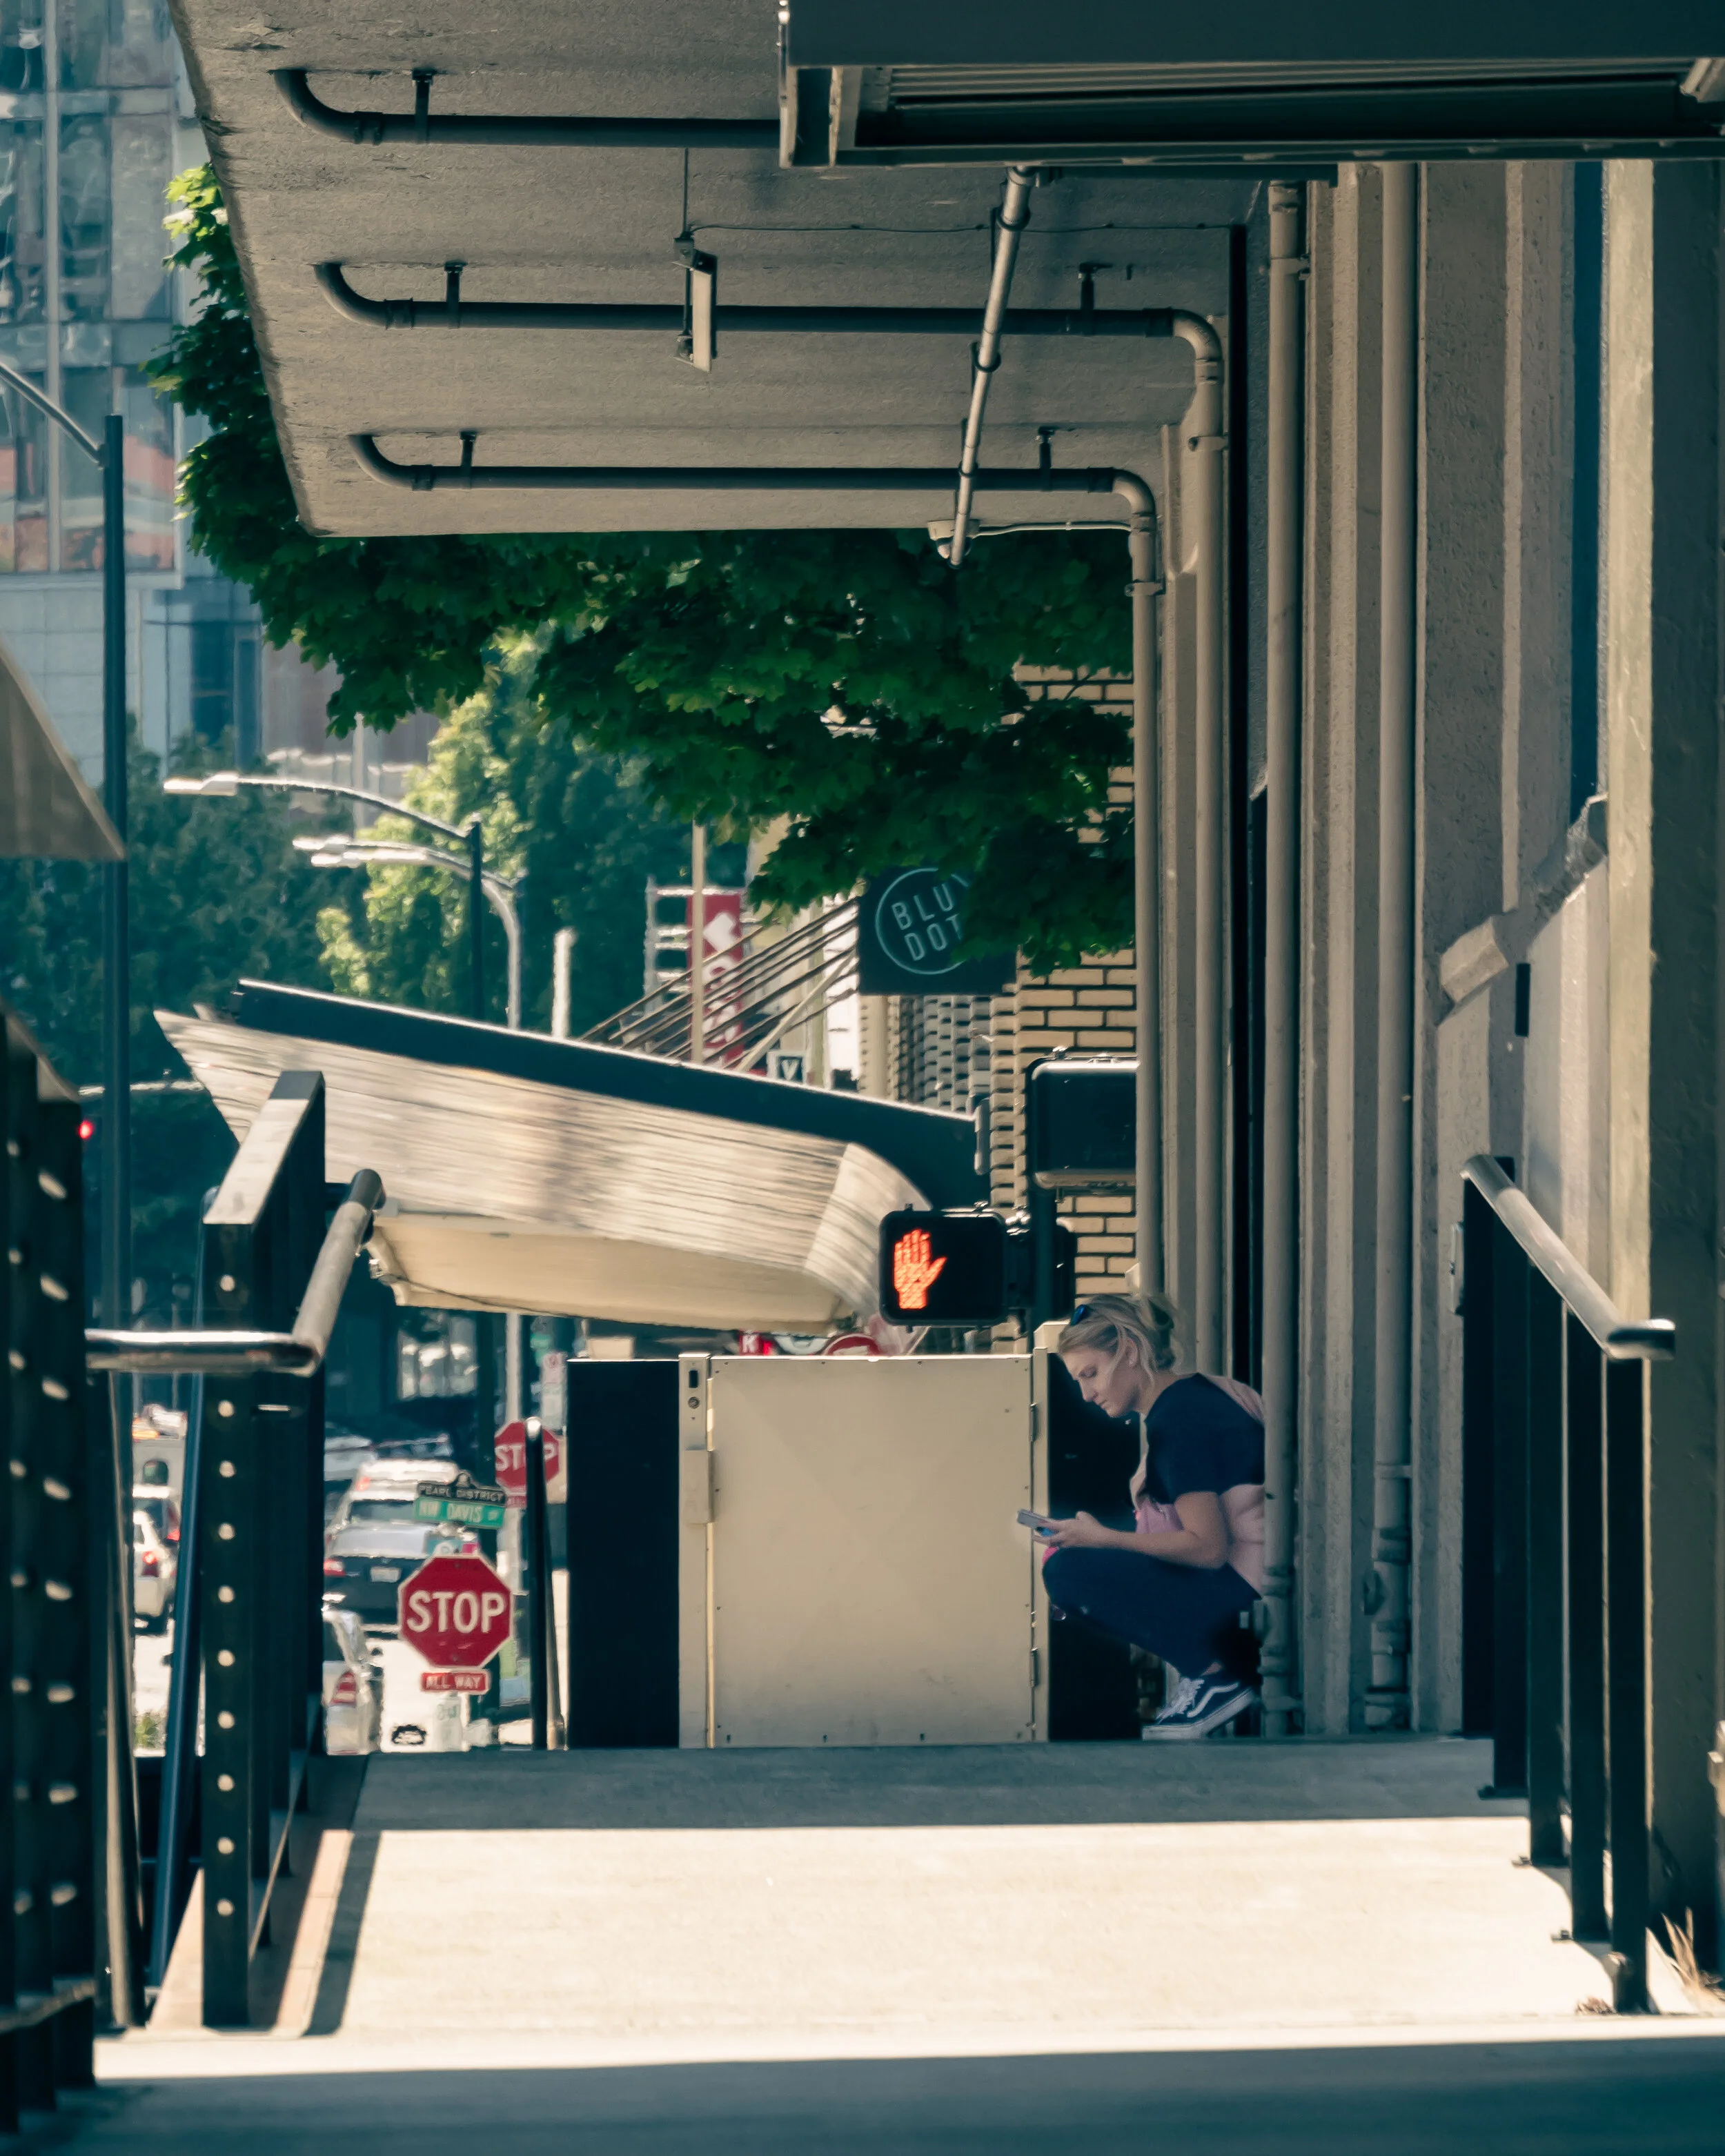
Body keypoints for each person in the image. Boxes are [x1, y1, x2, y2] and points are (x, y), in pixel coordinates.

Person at [1041, 1294, 1264, 1739]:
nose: (1086, 1393)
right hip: (1261, 1573)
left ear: (1129, 1350)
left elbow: (1208, 1547)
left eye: (1091, 1373)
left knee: (1067, 1570)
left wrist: (1104, 1540)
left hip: (1246, 1585)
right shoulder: (1201, 1393)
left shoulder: (1179, 1421)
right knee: (1072, 1559)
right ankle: (1213, 1673)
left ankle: (1216, 1679)